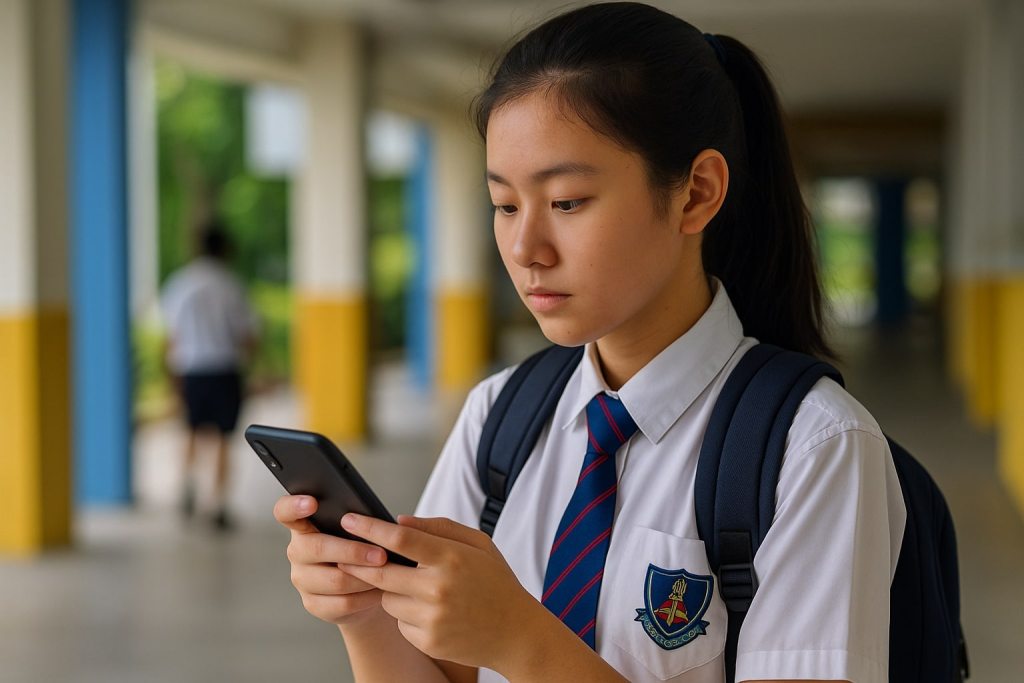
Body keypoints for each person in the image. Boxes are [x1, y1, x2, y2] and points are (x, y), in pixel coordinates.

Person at [273, 3, 906, 681]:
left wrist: (522, 639)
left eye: (568, 201)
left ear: (696, 193)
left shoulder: (814, 449)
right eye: (506, 204)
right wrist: (367, 609)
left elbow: (513, 642)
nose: (525, 249)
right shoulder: (500, 416)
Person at [161, 220, 260, 531]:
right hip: (224, 370)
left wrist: (171, 373)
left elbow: (170, 335)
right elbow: (248, 336)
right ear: (226, 249)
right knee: (222, 437)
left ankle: (186, 484)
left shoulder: (179, 284)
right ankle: (216, 504)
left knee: (190, 430)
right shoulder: (231, 286)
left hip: (190, 370)